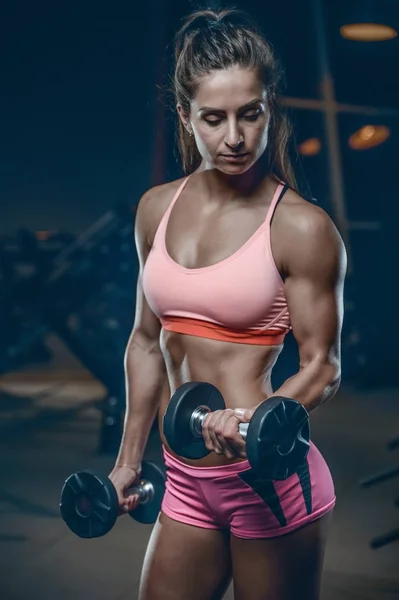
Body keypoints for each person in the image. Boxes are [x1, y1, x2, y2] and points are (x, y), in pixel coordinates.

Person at [109, 7, 346, 600]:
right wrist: (128, 461)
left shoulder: (301, 227)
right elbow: (145, 341)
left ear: (271, 109)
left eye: (251, 113)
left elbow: (322, 366)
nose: (235, 137)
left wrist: (247, 421)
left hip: (267, 478)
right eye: (214, 119)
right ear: (186, 118)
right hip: (185, 479)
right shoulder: (155, 209)